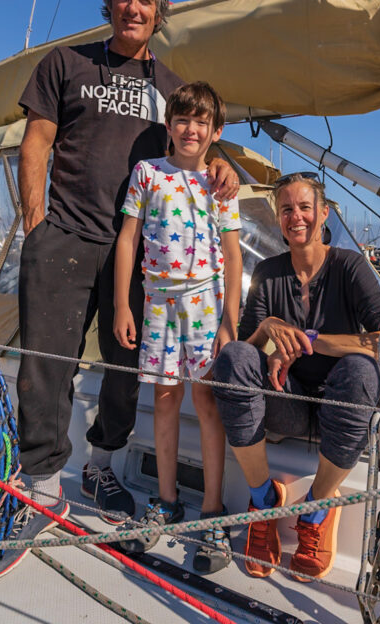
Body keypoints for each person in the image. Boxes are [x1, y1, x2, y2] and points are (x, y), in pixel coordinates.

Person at [0, 0, 239, 580]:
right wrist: (35, 225)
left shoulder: (171, 87)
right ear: (109, 3)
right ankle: (41, 487)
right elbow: (36, 141)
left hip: (137, 249)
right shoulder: (66, 64)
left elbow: (194, 147)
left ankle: (100, 467)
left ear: (160, 12)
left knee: (127, 367)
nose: (135, 7)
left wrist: (222, 166)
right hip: (66, 235)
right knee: (46, 365)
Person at [210, 173, 380, 581]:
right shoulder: (268, 273)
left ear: (324, 213)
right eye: (287, 209)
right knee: (233, 358)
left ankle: (316, 509)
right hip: (288, 405)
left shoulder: (349, 267)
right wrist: (268, 328)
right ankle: (263, 500)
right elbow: (249, 350)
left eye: (305, 207)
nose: (296, 217)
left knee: (362, 370)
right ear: (278, 218)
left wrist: (311, 340)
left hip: (341, 406)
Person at [111, 81, 242, 574]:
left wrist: (229, 322)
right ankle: (165, 502)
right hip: (158, 304)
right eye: (183, 120)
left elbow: (233, 256)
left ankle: (212, 512)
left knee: (207, 403)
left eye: (201, 122)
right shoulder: (147, 173)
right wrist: (123, 306)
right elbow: (128, 239)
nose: (191, 129)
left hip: (205, 304)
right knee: (164, 400)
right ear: (169, 125)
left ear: (216, 131)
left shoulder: (221, 183)